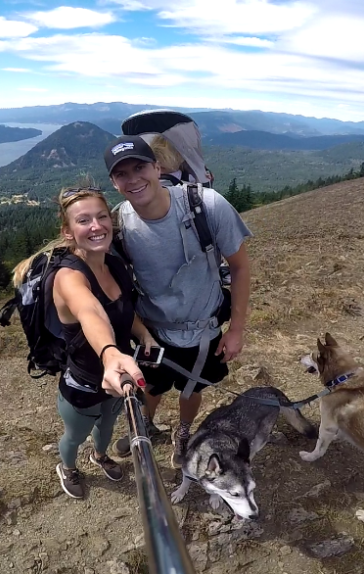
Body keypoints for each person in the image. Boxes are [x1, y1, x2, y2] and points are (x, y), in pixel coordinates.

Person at [104, 135, 253, 467]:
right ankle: (143, 427)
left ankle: (183, 432)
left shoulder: (206, 205)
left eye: (140, 167)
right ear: (114, 182)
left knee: (191, 388)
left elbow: (240, 267)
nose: (133, 179)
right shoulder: (118, 224)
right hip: (152, 332)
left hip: (203, 329)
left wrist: (237, 330)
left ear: (157, 167)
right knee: (151, 385)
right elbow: (116, 287)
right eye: (122, 174)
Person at [12, 183, 153, 500]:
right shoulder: (68, 278)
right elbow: (90, 312)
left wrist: (142, 332)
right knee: (74, 436)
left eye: (102, 217)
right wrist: (110, 353)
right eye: (84, 220)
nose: (96, 226)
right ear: (67, 232)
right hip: (85, 382)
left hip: (117, 378)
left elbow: (120, 309)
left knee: (106, 427)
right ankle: (68, 466)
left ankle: (100, 456)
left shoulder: (114, 264)